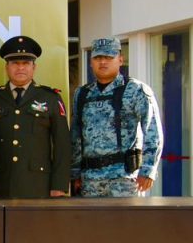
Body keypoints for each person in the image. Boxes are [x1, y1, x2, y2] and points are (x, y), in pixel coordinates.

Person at [70, 37, 163, 197]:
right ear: (91, 62)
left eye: (108, 57)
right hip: (90, 180)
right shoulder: (82, 93)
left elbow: (152, 130)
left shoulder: (135, 90)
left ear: (120, 59)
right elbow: (76, 135)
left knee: (127, 215)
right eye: (98, 58)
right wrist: (74, 171)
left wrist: (148, 169)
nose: (103, 62)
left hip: (124, 179)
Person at [0, 35, 70, 198]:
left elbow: (62, 144)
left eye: (26, 63)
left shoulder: (50, 97)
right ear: (7, 67)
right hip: (0, 184)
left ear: (34, 67)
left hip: (38, 184)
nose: (20, 68)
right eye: (15, 63)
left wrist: (59, 185)